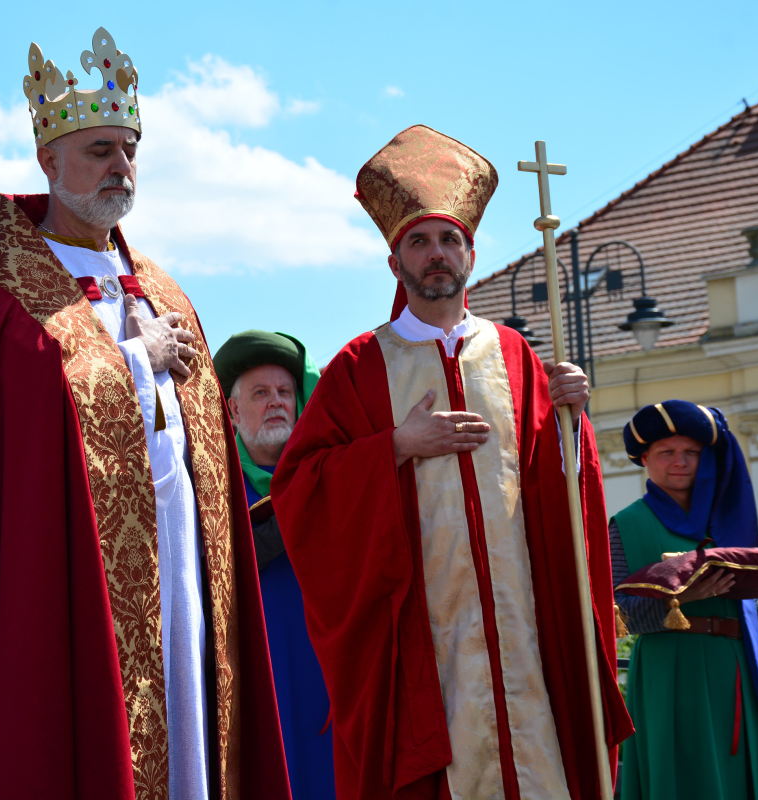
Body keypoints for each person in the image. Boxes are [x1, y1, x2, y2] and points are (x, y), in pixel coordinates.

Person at [0, 27, 289, 800]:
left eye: (129, 150)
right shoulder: (14, 286)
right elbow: (33, 416)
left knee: (191, 704)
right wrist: (131, 360)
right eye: (99, 151)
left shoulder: (158, 282)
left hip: (180, 545)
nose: (120, 165)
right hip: (75, 562)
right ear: (48, 162)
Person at [271, 125, 634, 800]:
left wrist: (571, 421)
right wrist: (394, 448)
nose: (435, 254)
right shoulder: (359, 367)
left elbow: (558, 495)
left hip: (523, 640)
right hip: (427, 650)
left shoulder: (515, 356)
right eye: (419, 242)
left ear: (470, 253)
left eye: (448, 239)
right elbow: (299, 489)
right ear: (394, 263)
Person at [613, 400, 758, 800]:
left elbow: (741, 613)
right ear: (644, 458)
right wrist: (681, 598)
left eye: (691, 452)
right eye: (667, 452)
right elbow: (617, 616)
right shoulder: (626, 524)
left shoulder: (726, 519)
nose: (680, 461)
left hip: (736, 666)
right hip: (671, 672)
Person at [213, 330, 334, 799]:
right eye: (260, 393)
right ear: (233, 410)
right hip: (252, 676)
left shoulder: (331, 474)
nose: (277, 403)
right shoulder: (212, 486)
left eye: (285, 392)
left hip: (325, 680)